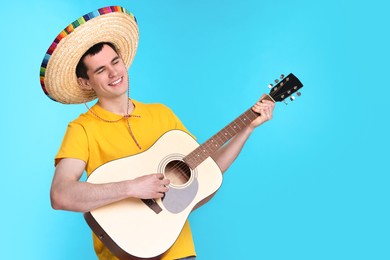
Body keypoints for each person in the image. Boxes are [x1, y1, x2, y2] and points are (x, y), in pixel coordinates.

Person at [40, 6, 275, 260]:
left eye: (115, 62)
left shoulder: (161, 114)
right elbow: (61, 194)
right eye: (100, 70)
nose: (114, 73)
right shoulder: (82, 129)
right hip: (126, 253)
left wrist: (248, 126)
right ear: (86, 82)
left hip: (180, 252)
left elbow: (207, 169)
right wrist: (132, 187)